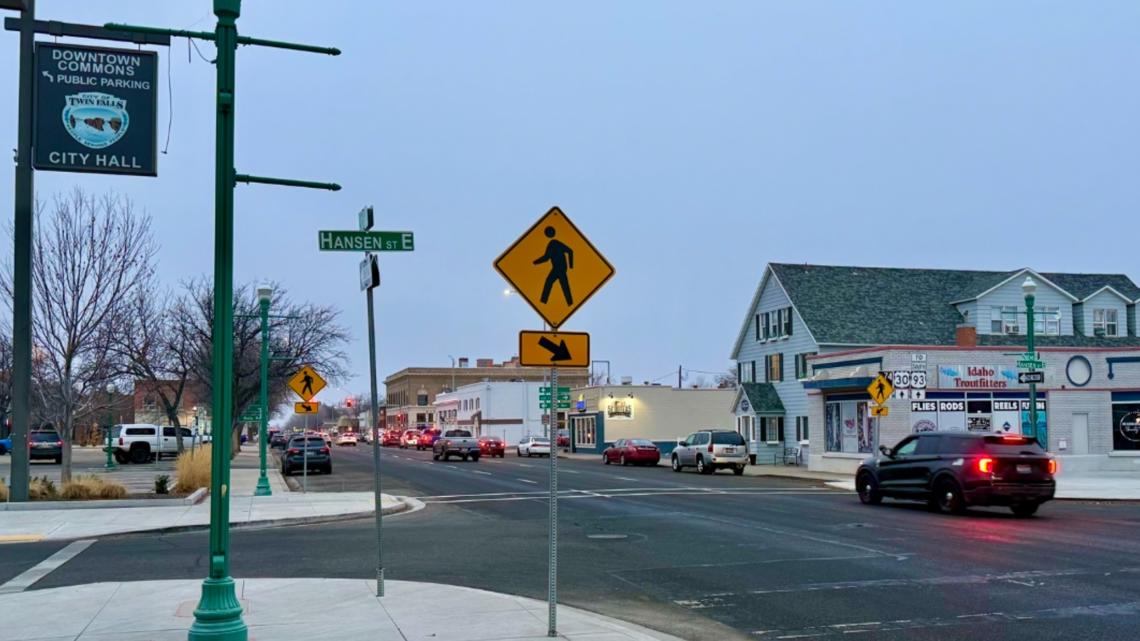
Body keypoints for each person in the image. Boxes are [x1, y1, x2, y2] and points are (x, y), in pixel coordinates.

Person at [533, 226, 574, 305]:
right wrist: (535, 262)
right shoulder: (552, 244)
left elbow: (570, 251)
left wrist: (571, 265)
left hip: (559, 268)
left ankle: (543, 301)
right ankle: (569, 303)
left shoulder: (554, 243)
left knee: (552, 282)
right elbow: (546, 258)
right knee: (562, 284)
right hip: (558, 268)